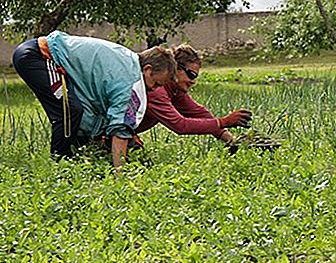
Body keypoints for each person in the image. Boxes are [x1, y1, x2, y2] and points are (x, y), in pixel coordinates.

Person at [12, 31, 176, 171]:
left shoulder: (129, 62)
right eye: (156, 83)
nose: (154, 89)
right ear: (147, 70)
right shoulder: (131, 82)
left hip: (48, 57)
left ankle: (76, 162)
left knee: (81, 112)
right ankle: (59, 168)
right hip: (40, 56)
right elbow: (120, 129)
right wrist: (120, 174)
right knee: (70, 111)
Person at [135, 44, 252, 150]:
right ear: (176, 69)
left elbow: (200, 113)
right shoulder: (157, 91)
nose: (193, 81)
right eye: (191, 75)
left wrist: (231, 140)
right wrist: (224, 121)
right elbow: (180, 125)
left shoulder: (175, 91)